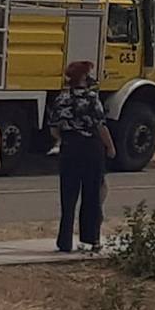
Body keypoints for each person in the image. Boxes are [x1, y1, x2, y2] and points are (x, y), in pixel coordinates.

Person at [49, 60, 114, 253]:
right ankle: (90, 238)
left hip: (69, 149)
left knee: (68, 197)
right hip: (90, 150)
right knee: (92, 195)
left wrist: (68, 138)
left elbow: (54, 129)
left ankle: (64, 241)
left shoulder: (61, 99)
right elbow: (100, 126)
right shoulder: (92, 98)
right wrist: (110, 147)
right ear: (84, 78)